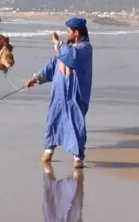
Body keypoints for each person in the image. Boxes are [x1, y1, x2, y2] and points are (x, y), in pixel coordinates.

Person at [25, 17, 93, 169]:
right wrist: (35, 78)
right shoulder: (65, 49)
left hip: (75, 94)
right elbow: (52, 65)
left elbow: (72, 57)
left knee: (76, 124)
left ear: (76, 32)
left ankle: (77, 157)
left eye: (69, 31)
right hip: (59, 94)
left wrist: (57, 43)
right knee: (53, 120)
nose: (67, 34)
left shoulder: (85, 48)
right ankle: (49, 150)